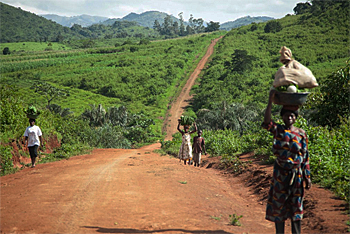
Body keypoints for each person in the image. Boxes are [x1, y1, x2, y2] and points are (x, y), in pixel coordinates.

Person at [262, 90, 311, 234]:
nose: (289, 117)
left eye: (291, 115)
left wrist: (307, 177)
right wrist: (270, 101)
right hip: (280, 173)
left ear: (295, 118)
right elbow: (266, 122)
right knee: (279, 204)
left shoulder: (301, 134)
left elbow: (305, 156)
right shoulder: (278, 130)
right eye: (286, 115)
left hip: (297, 174)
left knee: (296, 205)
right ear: (282, 117)